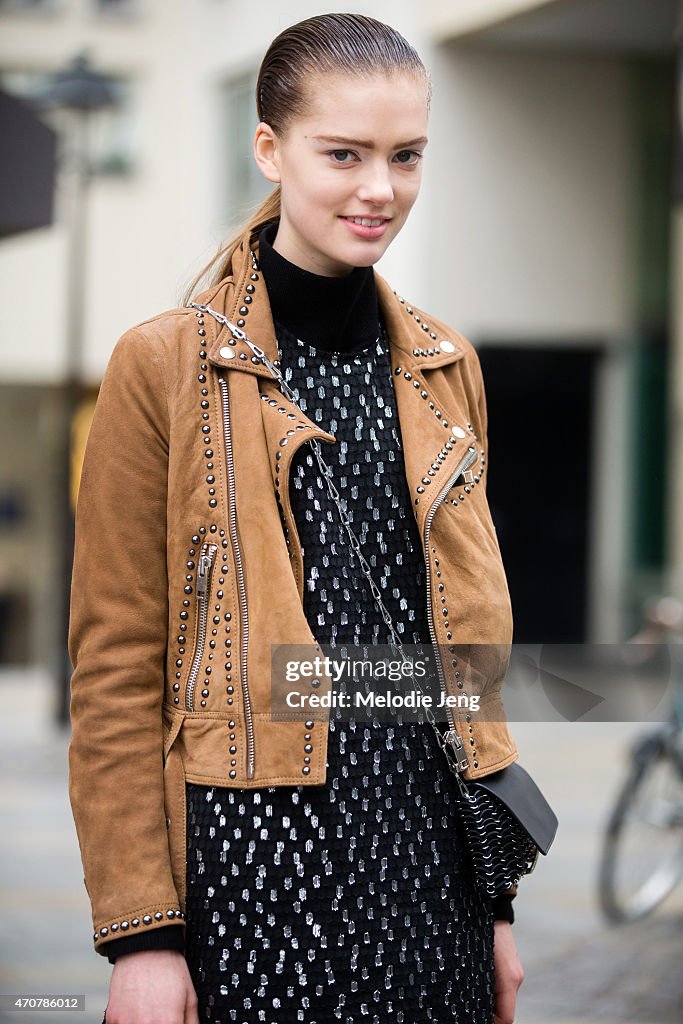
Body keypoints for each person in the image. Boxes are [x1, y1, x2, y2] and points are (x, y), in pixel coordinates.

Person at [67, 12, 526, 1024]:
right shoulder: (162, 366)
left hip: (424, 877)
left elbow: (461, 656)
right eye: (344, 154)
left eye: (406, 156)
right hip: (247, 876)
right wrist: (142, 933)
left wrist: (492, 900)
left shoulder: (448, 366)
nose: (380, 189)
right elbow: (114, 667)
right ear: (269, 149)